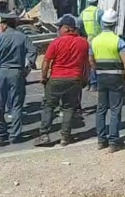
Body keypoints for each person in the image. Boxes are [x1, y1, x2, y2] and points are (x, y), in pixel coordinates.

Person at [0, 13, 37, 144]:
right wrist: (28, 67)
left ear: (4, 24)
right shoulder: (23, 37)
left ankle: (2, 133)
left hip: (1, 73)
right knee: (16, 105)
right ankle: (15, 135)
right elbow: (32, 52)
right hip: (17, 73)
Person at [34, 15, 88, 147]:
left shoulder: (56, 42)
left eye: (60, 27)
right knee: (69, 108)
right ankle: (65, 136)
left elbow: (46, 61)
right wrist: (85, 79)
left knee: (49, 106)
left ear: (67, 28)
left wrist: (43, 77)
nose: (58, 29)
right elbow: (86, 64)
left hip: (57, 78)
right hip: (75, 79)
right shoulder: (83, 43)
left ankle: (44, 134)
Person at [89, 9, 125, 153]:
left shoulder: (95, 41)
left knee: (101, 109)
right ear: (114, 24)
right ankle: (114, 141)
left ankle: (101, 140)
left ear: (102, 23)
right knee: (115, 109)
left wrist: (97, 70)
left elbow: (91, 60)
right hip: (116, 77)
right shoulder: (118, 41)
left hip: (101, 77)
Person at [80, 0, 103, 92]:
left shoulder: (83, 13)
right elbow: (103, 27)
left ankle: (87, 83)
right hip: (96, 41)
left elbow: (79, 26)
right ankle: (94, 84)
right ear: (97, 1)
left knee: (87, 63)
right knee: (94, 62)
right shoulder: (99, 12)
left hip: (85, 40)